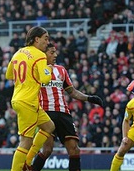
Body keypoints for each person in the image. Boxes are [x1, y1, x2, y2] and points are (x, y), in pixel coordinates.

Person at [32, 43, 103, 171]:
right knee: (47, 150)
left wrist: (89, 98)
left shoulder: (61, 70)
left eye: (55, 52)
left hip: (63, 113)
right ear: (43, 54)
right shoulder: (36, 69)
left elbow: (72, 92)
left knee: (74, 149)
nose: (55, 55)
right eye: (52, 52)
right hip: (46, 114)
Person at [5, 26, 55, 171]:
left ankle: (27, 161)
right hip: (28, 101)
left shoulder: (18, 53)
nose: (47, 42)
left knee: (49, 126)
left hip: (20, 99)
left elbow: (9, 75)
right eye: (45, 39)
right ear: (36, 39)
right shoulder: (39, 55)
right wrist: (49, 68)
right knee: (25, 141)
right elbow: (45, 79)